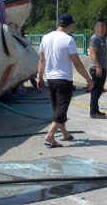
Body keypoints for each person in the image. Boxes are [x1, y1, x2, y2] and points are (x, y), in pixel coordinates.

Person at [37, 13, 94, 147]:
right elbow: (77, 62)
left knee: (58, 108)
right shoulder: (69, 40)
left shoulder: (45, 38)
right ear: (70, 25)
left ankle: (65, 134)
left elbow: (41, 60)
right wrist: (89, 80)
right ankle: (50, 135)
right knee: (61, 109)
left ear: (58, 24)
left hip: (50, 79)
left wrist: (39, 77)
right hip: (64, 79)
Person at [89, 19, 107, 119]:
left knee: (99, 90)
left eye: (104, 27)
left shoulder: (102, 38)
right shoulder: (95, 39)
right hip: (96, 68)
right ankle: (93, 112)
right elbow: (92, 53)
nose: (102, 29)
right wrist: (98, 66)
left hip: (102, 68)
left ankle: (96, 110)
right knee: (96, 90)